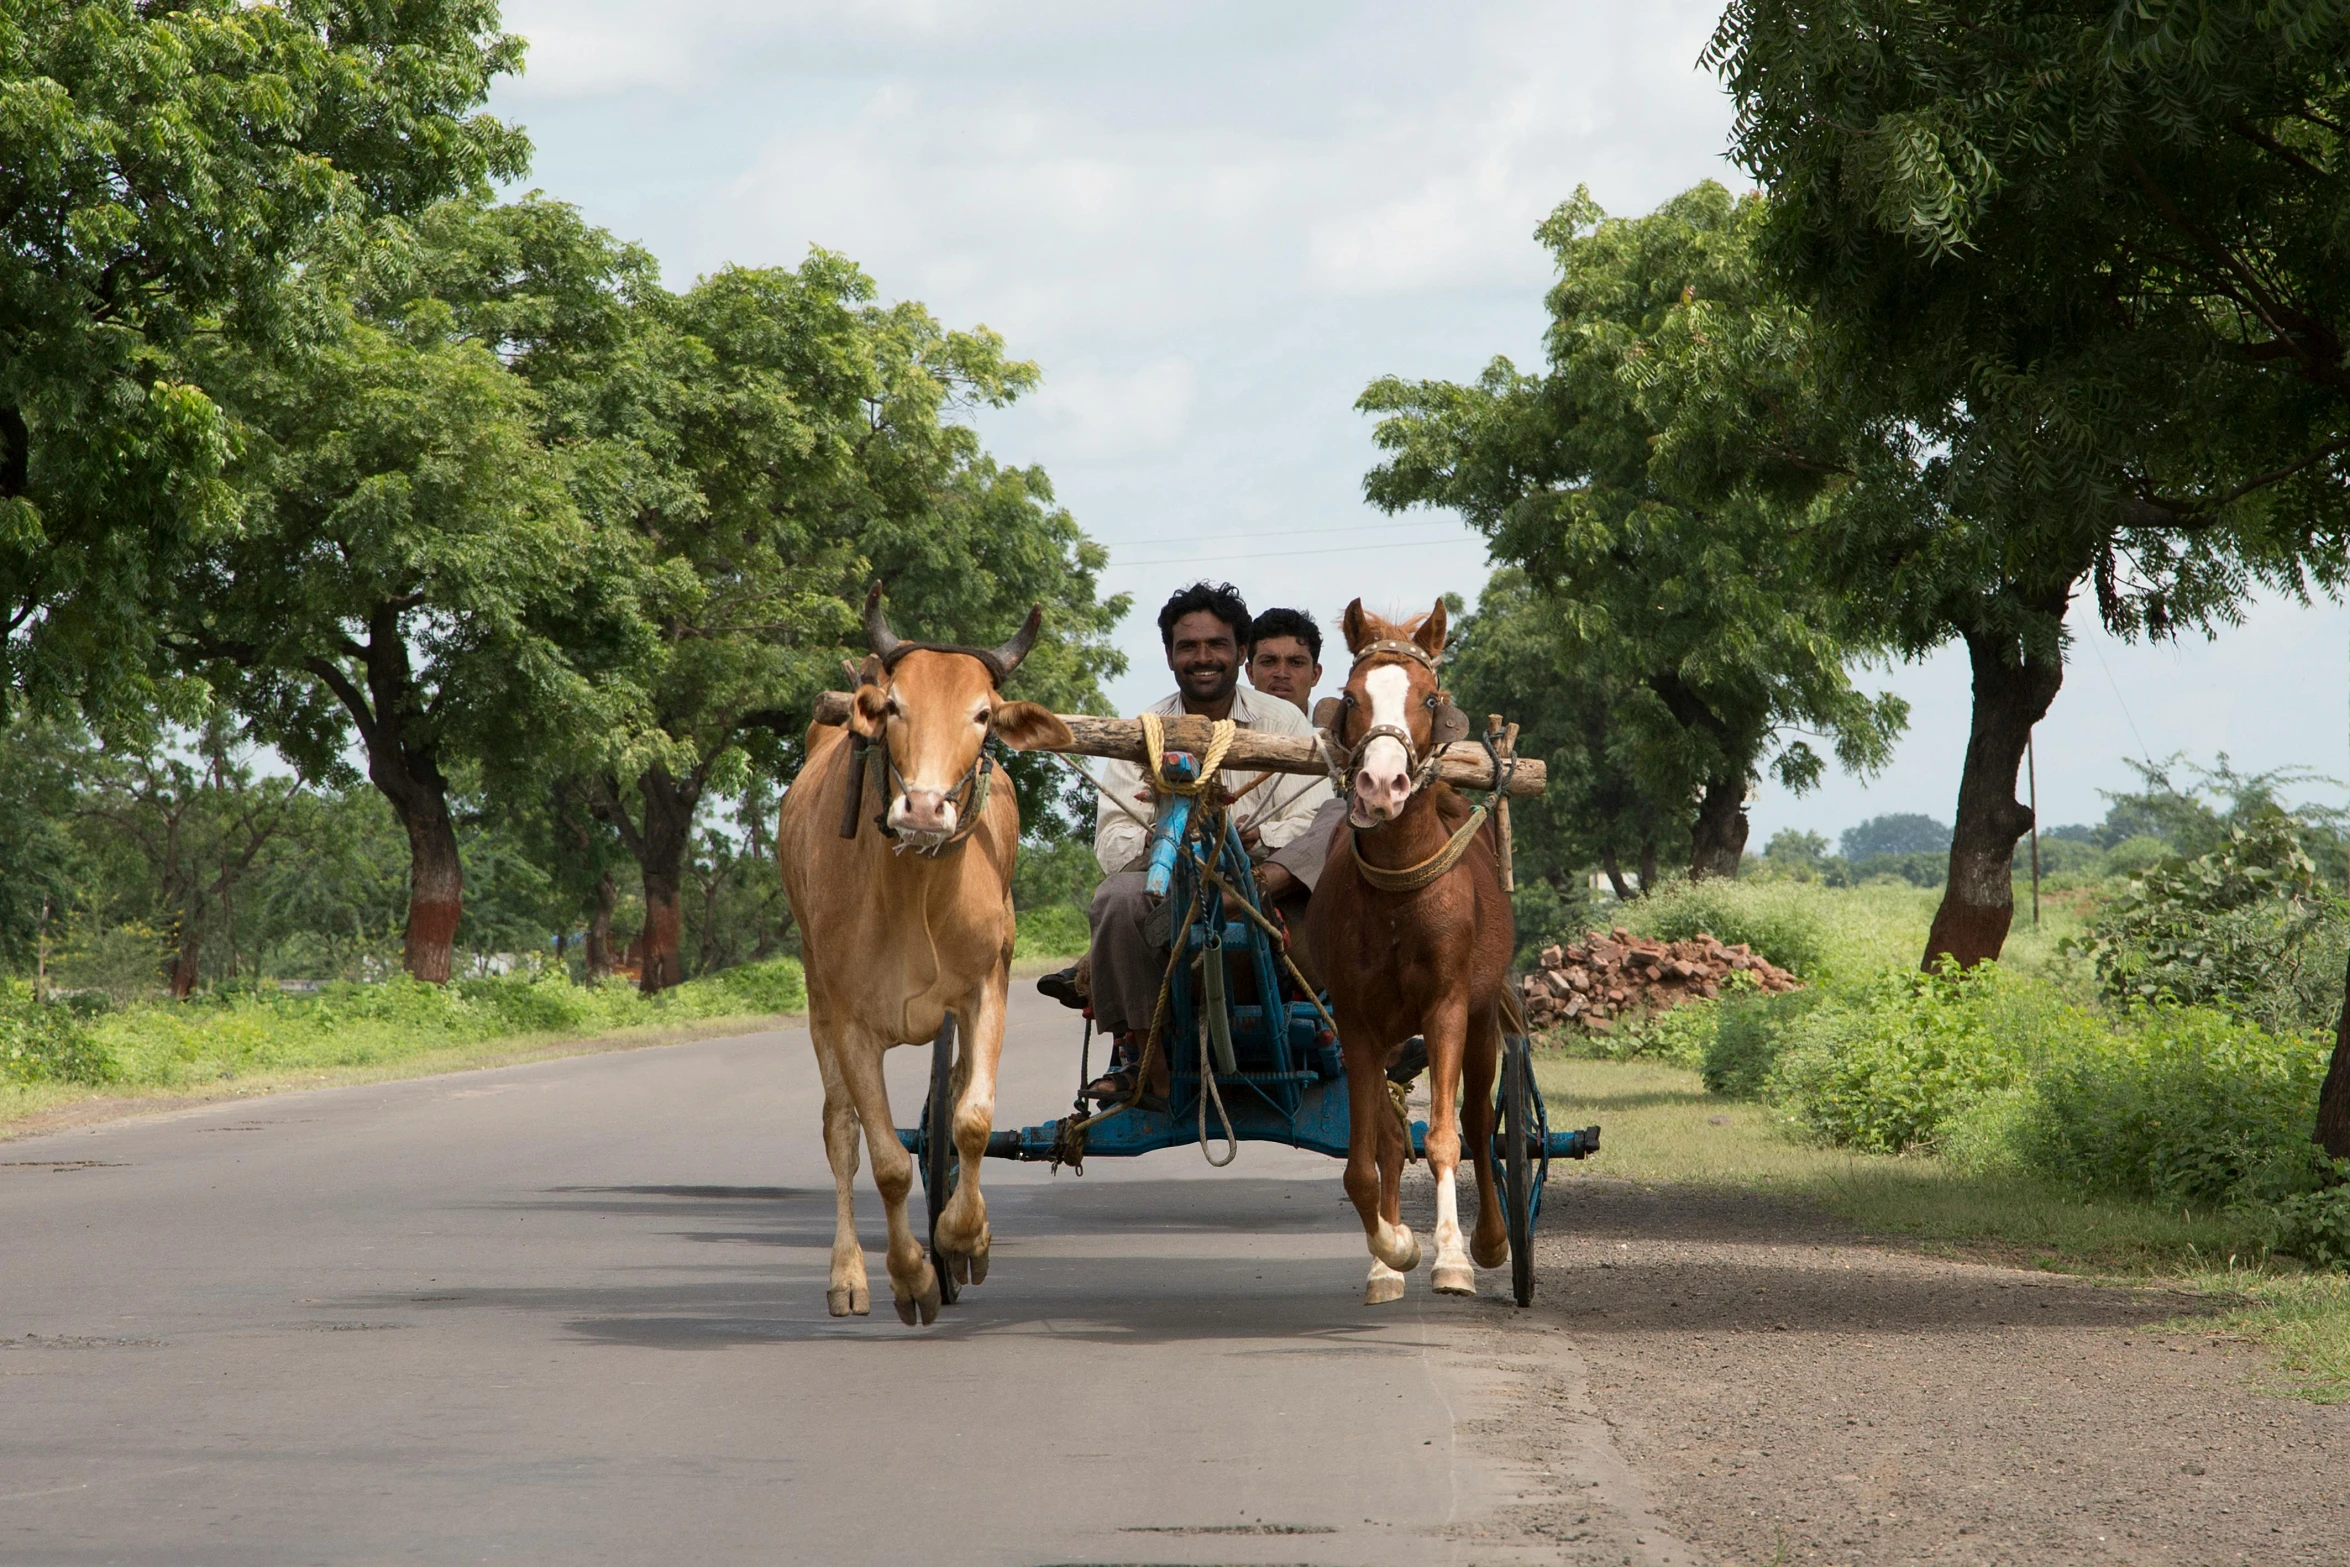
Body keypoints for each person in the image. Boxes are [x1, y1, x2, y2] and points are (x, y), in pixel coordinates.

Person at [1040, 583, 1332, 1103]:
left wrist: (1257, 838)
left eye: (1216, 645)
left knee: (1341, 824)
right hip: (1171, 879)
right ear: (1170, 656)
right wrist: (1168, 837)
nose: (1203, 658)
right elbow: (1112, 838)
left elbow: (1312, 815)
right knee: (1114, 899)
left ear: (1239, 654)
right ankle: (1144, 1062)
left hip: (1268, 882)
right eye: (1188, 647)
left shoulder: (1281, 721)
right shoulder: (1144, 733)